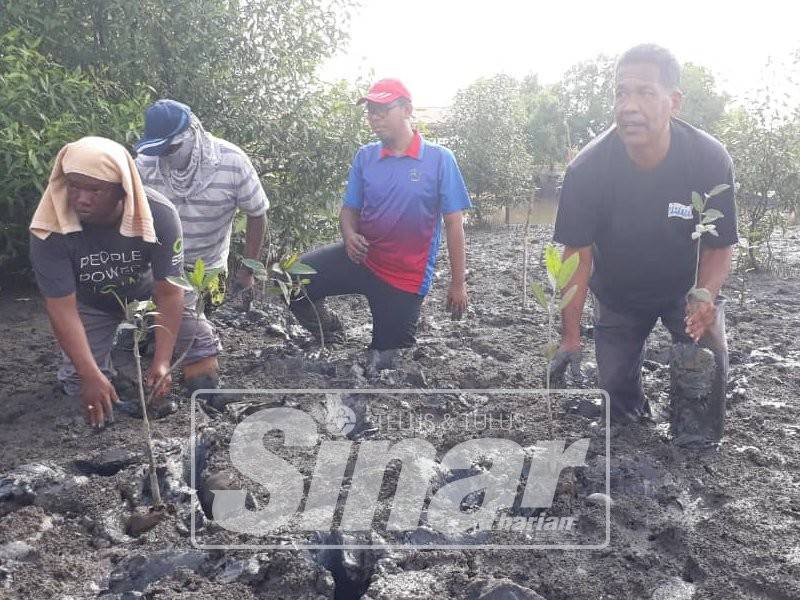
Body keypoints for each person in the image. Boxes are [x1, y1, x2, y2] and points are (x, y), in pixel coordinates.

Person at [551, 44, 737, 440]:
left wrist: (704, 296)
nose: (629, 105)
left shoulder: (707, 159)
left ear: (674, 102)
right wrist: (569, 336)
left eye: (645, 93)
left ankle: (697, 438)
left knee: (707, 370)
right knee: (616, 396)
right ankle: (634, 419)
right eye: (621, 93)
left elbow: (720, 247)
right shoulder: (587, 170)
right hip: (618, 294)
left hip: (686, 292)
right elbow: (577, 258)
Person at [29, 137, 221, 428]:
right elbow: (61, 308)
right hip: (93, 303)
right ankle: (113, 383)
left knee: (201, 358)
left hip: (150, 296)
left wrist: (162, 362)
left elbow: (169, 294)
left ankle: (198, 401)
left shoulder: (159, 214)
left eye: (95, 189)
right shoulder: (49, 227)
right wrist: (89, 374)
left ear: (122, 189)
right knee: (77, 384)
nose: (81, 198)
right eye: (74, 186)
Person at [290, 78, 471, 360]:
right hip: (361, 259)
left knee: (388, 357)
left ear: (407, 110)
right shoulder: (365, 157)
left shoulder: (439, 159)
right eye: (371, 111)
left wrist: (458, 283)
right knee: (293, 281)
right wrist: (349, 236)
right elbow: (349, 210)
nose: (375, 118)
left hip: (404, 278)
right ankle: (329, 328)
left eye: (383, 110)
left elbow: (453, 223)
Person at [134, 99, 268, 305]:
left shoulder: (232, 162)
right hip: (159, 265)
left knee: (200, 323)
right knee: (156, 326)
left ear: (191, 135)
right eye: (158, 150)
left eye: (170, 149)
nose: (164, 157)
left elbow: (257, 213)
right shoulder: (145, 164)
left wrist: (248, 269)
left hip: (210, 269)